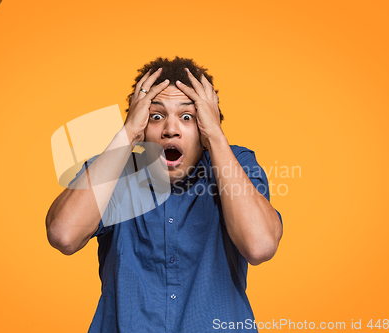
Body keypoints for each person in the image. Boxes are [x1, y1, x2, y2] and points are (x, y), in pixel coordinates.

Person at [46, 56, 283, 332]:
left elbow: (260, 246)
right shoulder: (111, 171)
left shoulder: (235, 163)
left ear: (204, 127)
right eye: (156, 116)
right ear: (141, 126)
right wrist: (126, 135)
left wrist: (217, 137)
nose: (171, 129)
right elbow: (63, 235)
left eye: (187, 117)